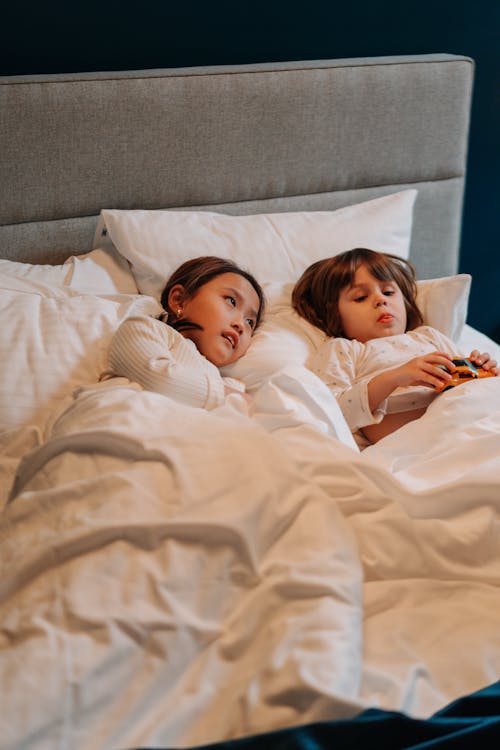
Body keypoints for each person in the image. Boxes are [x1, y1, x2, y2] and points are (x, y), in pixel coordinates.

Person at [292, 248, 498, 447]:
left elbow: (465, 384)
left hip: (471, 421)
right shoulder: (343, 350)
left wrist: (482, 370)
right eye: (361, 297)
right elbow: (333, 412)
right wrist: (397, 377)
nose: (381, 300)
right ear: (334, 314)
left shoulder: (428, 336)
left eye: (389, 292)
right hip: (419, 445)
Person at [101, 256, 265, 410]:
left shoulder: (227, 383)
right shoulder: (144, 329)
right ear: (179, 300)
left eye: (250, 322)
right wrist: (232, 396)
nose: (240, 325)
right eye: (231, 301)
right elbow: (159, 380)